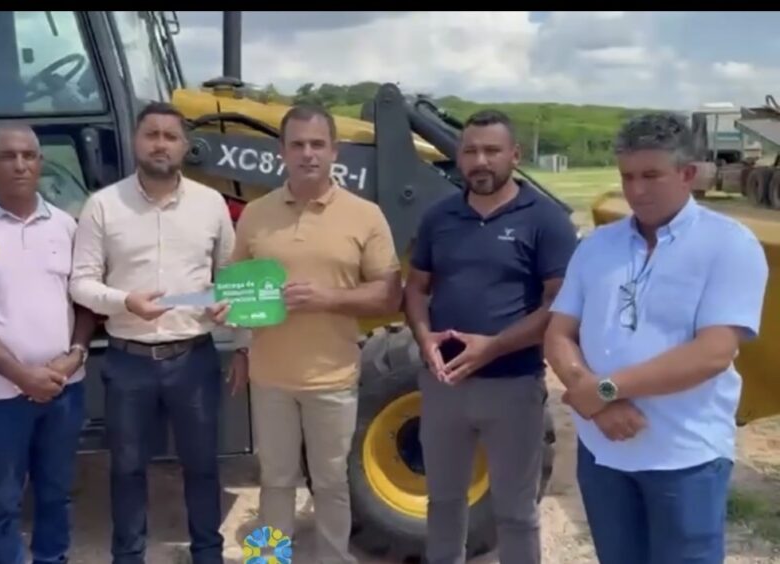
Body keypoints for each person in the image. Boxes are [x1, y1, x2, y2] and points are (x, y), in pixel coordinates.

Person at [545, 112, 768, 564]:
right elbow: (559, 333)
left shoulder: (729, 245)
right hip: (603, 453)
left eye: (651, 175)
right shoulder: (597, 246)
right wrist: (597, 402)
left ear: (688, 174)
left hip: (684, 458)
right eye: (627, 176)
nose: (636, 190)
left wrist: (605, 390)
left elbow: (713, 353)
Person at [218, 104, 402, 563]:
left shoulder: (365, 215)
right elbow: (236, 289)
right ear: (281, 152)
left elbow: (388, 296)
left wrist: (327, 298)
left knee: (331, 484)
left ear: (334, 151)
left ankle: (332, 559)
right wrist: (231, 324)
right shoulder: (256, 214)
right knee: (274, 481)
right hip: (270, 378)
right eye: (297, 145)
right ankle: (270, 559)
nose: (308, 154)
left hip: (333, 378)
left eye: (317, 144)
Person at [403, 109, 577, 564]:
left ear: (514, 155)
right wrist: (424, 338)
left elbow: (559, 303)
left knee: (516, 512)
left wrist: (493, 347)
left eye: (492, 151)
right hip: (443, 386)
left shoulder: (545, 220)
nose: (480, 161)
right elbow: (416, 288)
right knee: (443, 503)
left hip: (512, 386)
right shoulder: (439, 216)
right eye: (470, 151)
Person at [69, 101, 235, 564]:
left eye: (170, 136)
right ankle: (128, 557)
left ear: (184, 146)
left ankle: (208, 555)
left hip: (193, 358)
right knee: (126, 469)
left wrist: (229, 310)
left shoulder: (211, 205)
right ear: (135, 141)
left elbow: (229, 278)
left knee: (202, 467)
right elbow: (80, 282)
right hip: (129, 362)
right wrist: (126, 302)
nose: (160, 144)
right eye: (151, 134)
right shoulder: (103, 206)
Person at [0, 124, 97, 564]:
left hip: (65, 389)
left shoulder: (66, 225)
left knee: (56, 493)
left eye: (29, 155)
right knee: (2, 501)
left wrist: (74, 356)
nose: (20, 164)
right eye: (8, 156)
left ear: (41, 163)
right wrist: (22, 376)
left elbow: (85, 302)